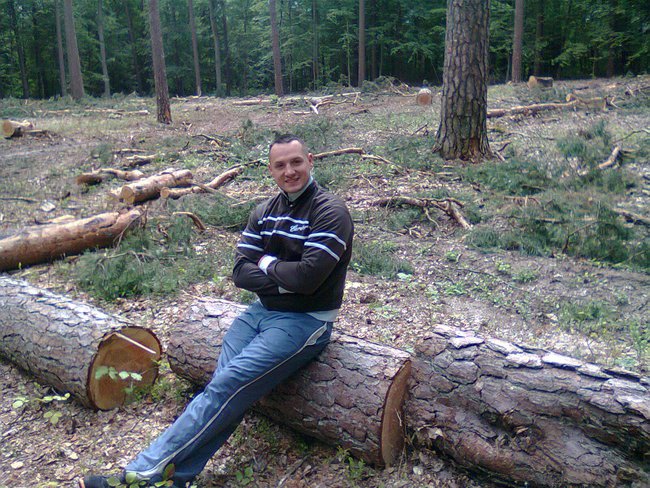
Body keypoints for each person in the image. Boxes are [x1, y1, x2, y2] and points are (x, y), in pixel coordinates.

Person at [79, 134, 354, 488]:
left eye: (296, 162)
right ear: (270, 169)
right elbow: (240, 273)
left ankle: (139, 475)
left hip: (304, 322)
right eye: (280, 165)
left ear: (310, 160)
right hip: (257, 313)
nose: (289, 171)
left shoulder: (330, 211)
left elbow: (308, 279)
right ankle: (178, 479)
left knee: (226, 387)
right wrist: (285, 276)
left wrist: (265, 262)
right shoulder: (264, 211)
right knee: (224, 392)